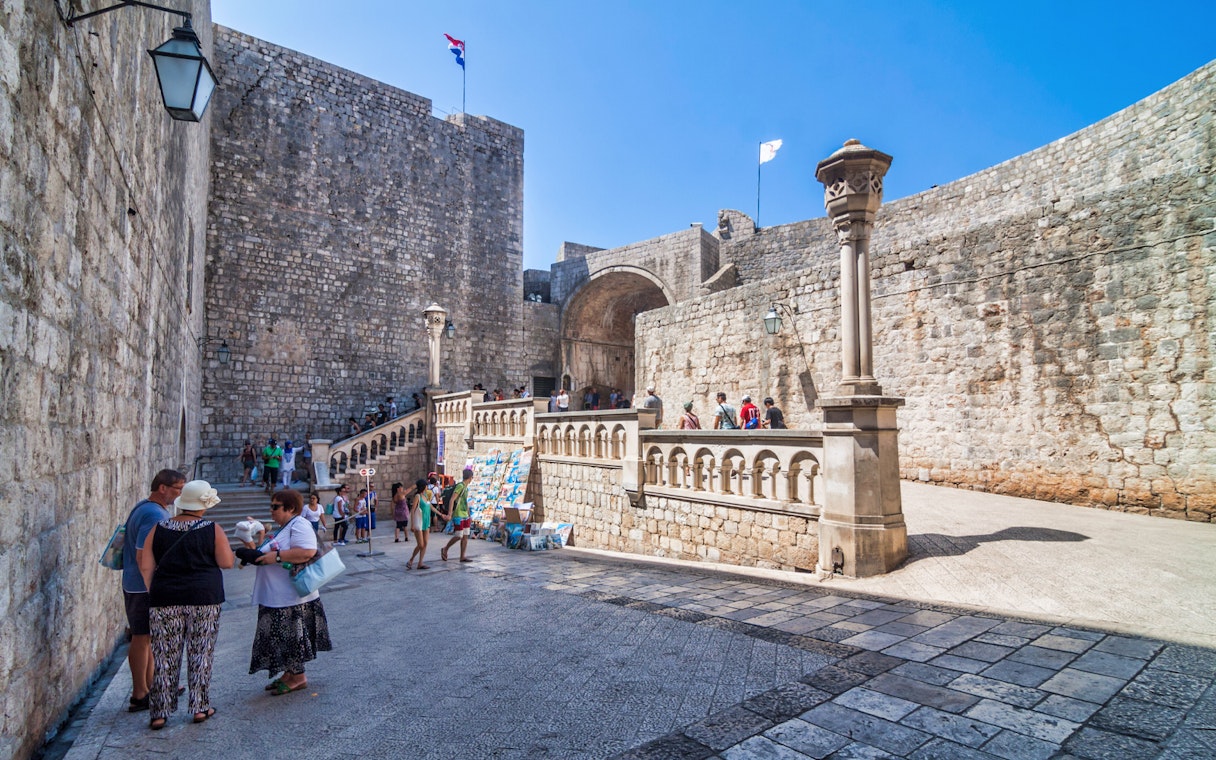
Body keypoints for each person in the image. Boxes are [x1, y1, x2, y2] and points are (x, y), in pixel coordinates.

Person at [138, 480, 234, 729]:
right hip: (204, 597)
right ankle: (200, 707)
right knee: (201, 652)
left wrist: (156, 590)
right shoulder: (212, 529)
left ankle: (159, 712)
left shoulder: (158, 528)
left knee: (165, 656)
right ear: (204, 504)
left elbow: (146, 564)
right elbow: (226, 562)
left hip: (165, 597)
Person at [249, 489, 333, 696]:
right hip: (276, 595)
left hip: (291, 597)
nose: (271, 510)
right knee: (280, 637)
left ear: (290, 508)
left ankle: (298, 676)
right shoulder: (284, 527)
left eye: (275, 507)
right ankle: (289, 673)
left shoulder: (300, 524)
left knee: (290, 636)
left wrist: (276, 558)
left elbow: (307, 551)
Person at [122, 469, 185, 713]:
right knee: (140, 637)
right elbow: (143, 555)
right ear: (163, 488)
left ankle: (151, 687)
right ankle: (139, 694)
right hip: (142, 586)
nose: (179, 494)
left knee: (147, 637)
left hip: (136, 583)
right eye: (177, 489)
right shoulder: (153, 515)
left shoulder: (143, 507)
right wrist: (155, 586)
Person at [439, 468, 474, 563]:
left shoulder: (465, 488)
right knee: (459, 535)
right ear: (470, 477)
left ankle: (462, 556)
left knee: (465, 536)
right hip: (458, 514)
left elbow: (465, 502)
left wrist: (469, 515)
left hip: (465, 514)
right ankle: (445, 548)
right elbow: (452, 499)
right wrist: (450, 513)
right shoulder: (460, 486)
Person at [405, 479, 433, 570]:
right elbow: (413, 509)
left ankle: (420, 562)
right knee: (420, 544)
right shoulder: (417, 496)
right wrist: (412, 524)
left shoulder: (426, 495)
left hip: (426, 521)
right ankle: (411, 560)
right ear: (424, 486)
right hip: (419, 521)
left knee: (425, 543)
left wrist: (441, 514)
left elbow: (430, 506)